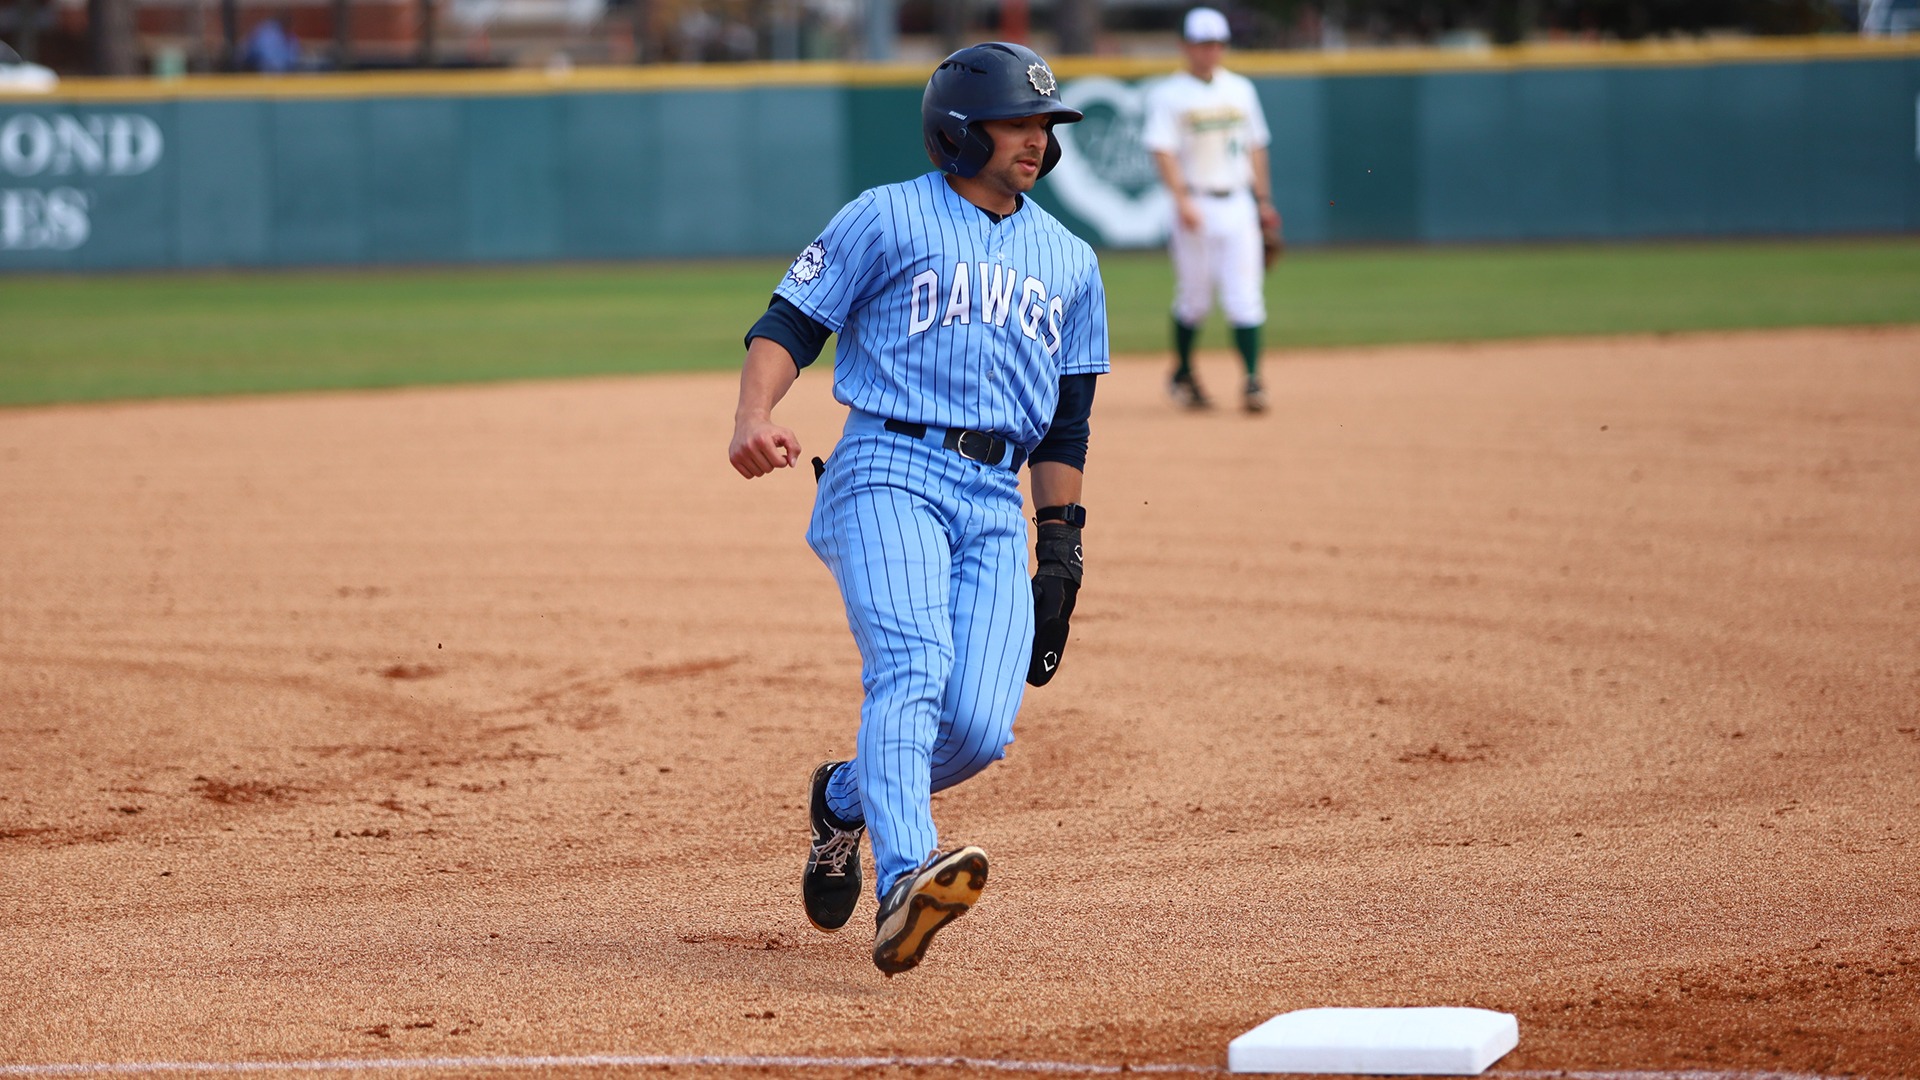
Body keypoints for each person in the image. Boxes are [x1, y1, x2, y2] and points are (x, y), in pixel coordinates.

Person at [726, 42, 1108, 976]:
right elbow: (793, 319)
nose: (1037, 141)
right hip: (888, 465)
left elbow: (1067, 426)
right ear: (962, 128)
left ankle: (844, 801)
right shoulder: (887, 216)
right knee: (912, 667)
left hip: (993, 497)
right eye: (1020, 122)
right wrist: (753, 412)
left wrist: (1059, 549)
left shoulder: (1070, 260)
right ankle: (907, 876)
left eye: (1046, 127)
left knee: (979, 724)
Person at [1142, 6, 1281, 414]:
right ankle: (1183, 371)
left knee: (1245, 297)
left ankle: (1253, 382)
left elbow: (1257, 146)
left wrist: (1264, 201)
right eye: (1203, 43)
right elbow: (1162, 150)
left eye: (1217, 43)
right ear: (1186, 46)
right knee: (1194, 299)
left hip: (1238, 202)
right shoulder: (1169, 94)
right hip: (1196, 202)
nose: (1210, 51)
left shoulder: (1240, 89)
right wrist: (1182, 199)